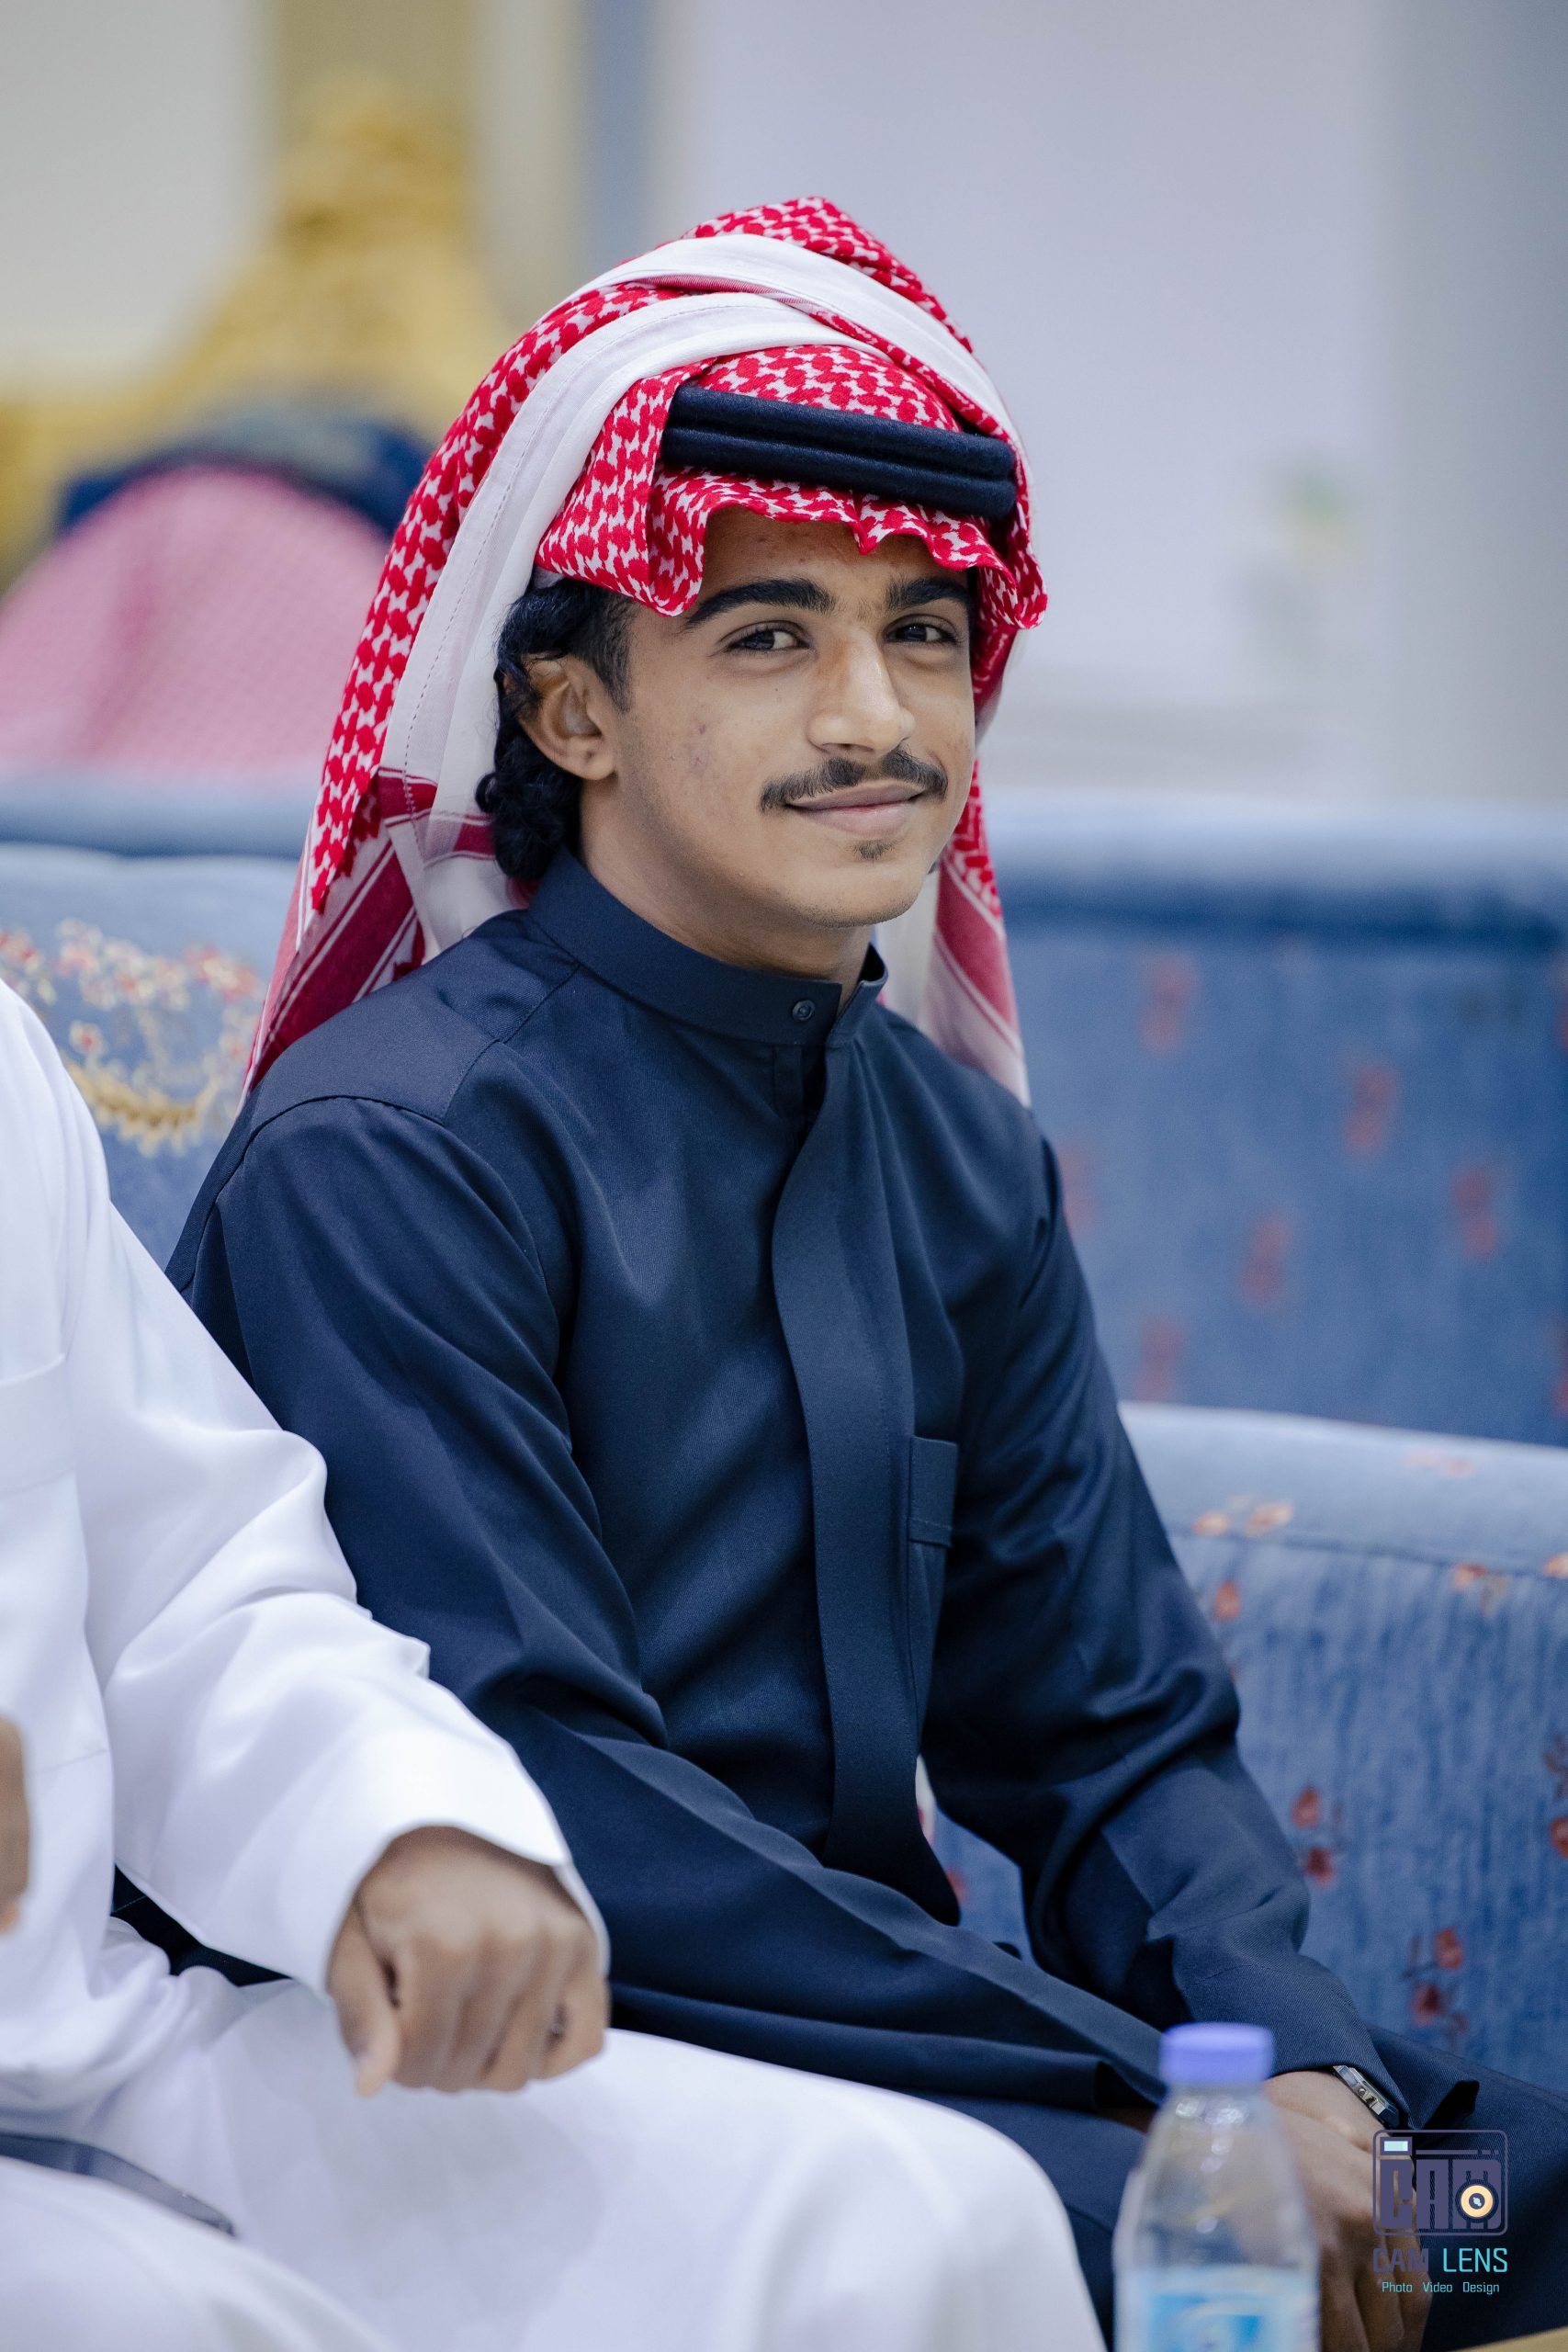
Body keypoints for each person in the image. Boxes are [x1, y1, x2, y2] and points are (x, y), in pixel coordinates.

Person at [171, 199, 1568, 2349]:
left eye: (922, 634)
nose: (875, 713)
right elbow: (542, 1784)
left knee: (1483, 2208)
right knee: (1166, 2245)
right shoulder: (395, 1151)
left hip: (939, 2041)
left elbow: (1107, 1728)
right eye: (766, 636)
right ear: (568, 705)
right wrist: (1159, 2103)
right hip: (595, 2054)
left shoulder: (951, 1149)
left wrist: (1292, 2068)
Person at [0, 980, 1097, 2351]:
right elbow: (570, 1757)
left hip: (91, 2052)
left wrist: (400, 1823)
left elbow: (190, 1584)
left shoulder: (965, 1152)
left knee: (933, 2220)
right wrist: (1129, 2083)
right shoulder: (396, 1139)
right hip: (762, 2005)